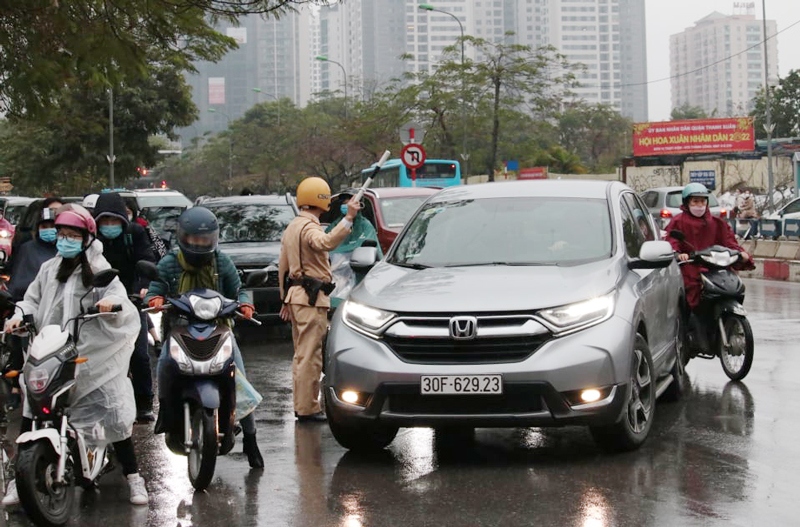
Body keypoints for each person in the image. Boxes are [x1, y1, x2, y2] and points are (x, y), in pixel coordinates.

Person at [2, 204, 148, 507]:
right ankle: (20, 481)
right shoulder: (49, 268)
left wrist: (109, 304)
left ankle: (134, 478)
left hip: (89, 357)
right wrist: (19, 315)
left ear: (85, 238)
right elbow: (31, 300)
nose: (65, 240)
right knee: (33, 407)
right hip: (50, 349)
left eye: (72, 235)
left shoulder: (97, 266)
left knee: (113, 413)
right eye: (61, 234)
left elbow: (117, 296)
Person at [144, 207, 264, 468]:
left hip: (219, 329)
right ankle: (165, 412)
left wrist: (245, 305)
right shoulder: (169, 262)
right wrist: (154, 299)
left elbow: (239, 290)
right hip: (179, 329)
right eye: (194, 240)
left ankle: (251, 441)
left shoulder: (222, 262)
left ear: (214, 239)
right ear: (182, 237)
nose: (199, 245)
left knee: (240, 382)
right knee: (165, 364)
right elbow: (156, 288)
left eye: (205, 240)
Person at [279, 177, 360, 423]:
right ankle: (307, 408)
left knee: (301, 354)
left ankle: (303, 404)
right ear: (321, 199)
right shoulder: (309, 228)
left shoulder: (294, 226)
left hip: (298, 297)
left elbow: (283, 266)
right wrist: (349, 218)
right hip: (311, 298)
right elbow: (326, 242)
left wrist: (284, 299)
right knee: (310, 356)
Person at [665, 183, 754, 351]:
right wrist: (678, 254)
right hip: (690, 268)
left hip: (716, 268)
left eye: (702, 202)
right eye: (695, 202)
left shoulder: (717, 223)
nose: (699, 206)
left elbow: (730, 242)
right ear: (687, 203)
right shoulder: (678, 222)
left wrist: (741, 254)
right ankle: (690, 332)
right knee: (692, 289)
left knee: (734, 287)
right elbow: (672, 241)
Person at [93, 192, 158, 422]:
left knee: (139, 355)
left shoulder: (136, 234)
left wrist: (143, 287)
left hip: (131, 301)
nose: (110, 226)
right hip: (97, 306)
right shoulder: (90, 241)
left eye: (114, 221)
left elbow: (147, 260)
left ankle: (144, 402)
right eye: (105, 222)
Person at [325, 193, 383, 309]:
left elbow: (371, 251)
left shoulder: (365, 226)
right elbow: (326, 244)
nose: (347, 206)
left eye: (350, 203)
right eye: (344, 204)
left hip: (358, 278)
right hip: (336, 277)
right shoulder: (337, 225)